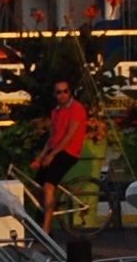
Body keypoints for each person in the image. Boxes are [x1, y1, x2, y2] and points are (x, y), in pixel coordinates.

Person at [35, 81, 90, 223]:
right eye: (59, 92)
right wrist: (42, 156)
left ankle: (46, 228)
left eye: (65, 91)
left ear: (70, 92)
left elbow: (69, 136)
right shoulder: (56, 111)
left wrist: (52, 155)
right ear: (55, 94)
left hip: (69, 152)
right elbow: (52, 136)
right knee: (37, 188)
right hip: (55, 149)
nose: (62, 95)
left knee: (48, 186)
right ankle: (47, 213)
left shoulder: (77, 108)